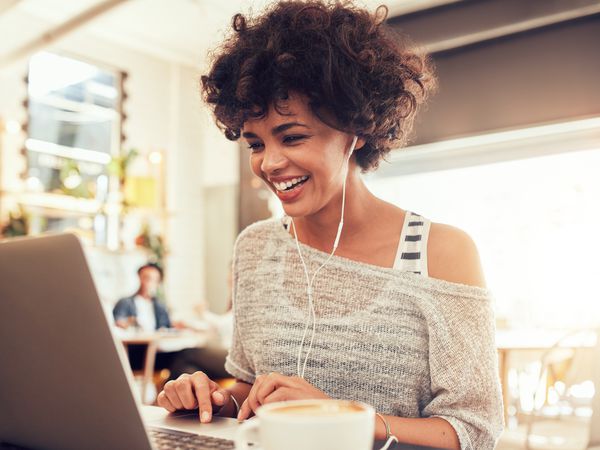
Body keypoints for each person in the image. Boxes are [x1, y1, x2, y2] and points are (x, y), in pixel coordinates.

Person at [157, 2, 503, 449]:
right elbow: (250, 391)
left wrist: (341, 417)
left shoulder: (441, 252)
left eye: (293, 136)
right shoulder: (255, 248)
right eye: (256, 143)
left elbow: (474, 431)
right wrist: (211, 400)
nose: (270, 163)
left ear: (357, 128)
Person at [113, 262, 171, 331]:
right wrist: (127, 323)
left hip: (156, 340)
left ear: (158, 282)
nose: (148, 282)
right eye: (146, 278)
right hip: (134, 341)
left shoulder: (160, 305)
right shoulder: (125, 302)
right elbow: (117, 323)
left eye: (153, 279)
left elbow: (166, 326)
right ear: (139, 278)